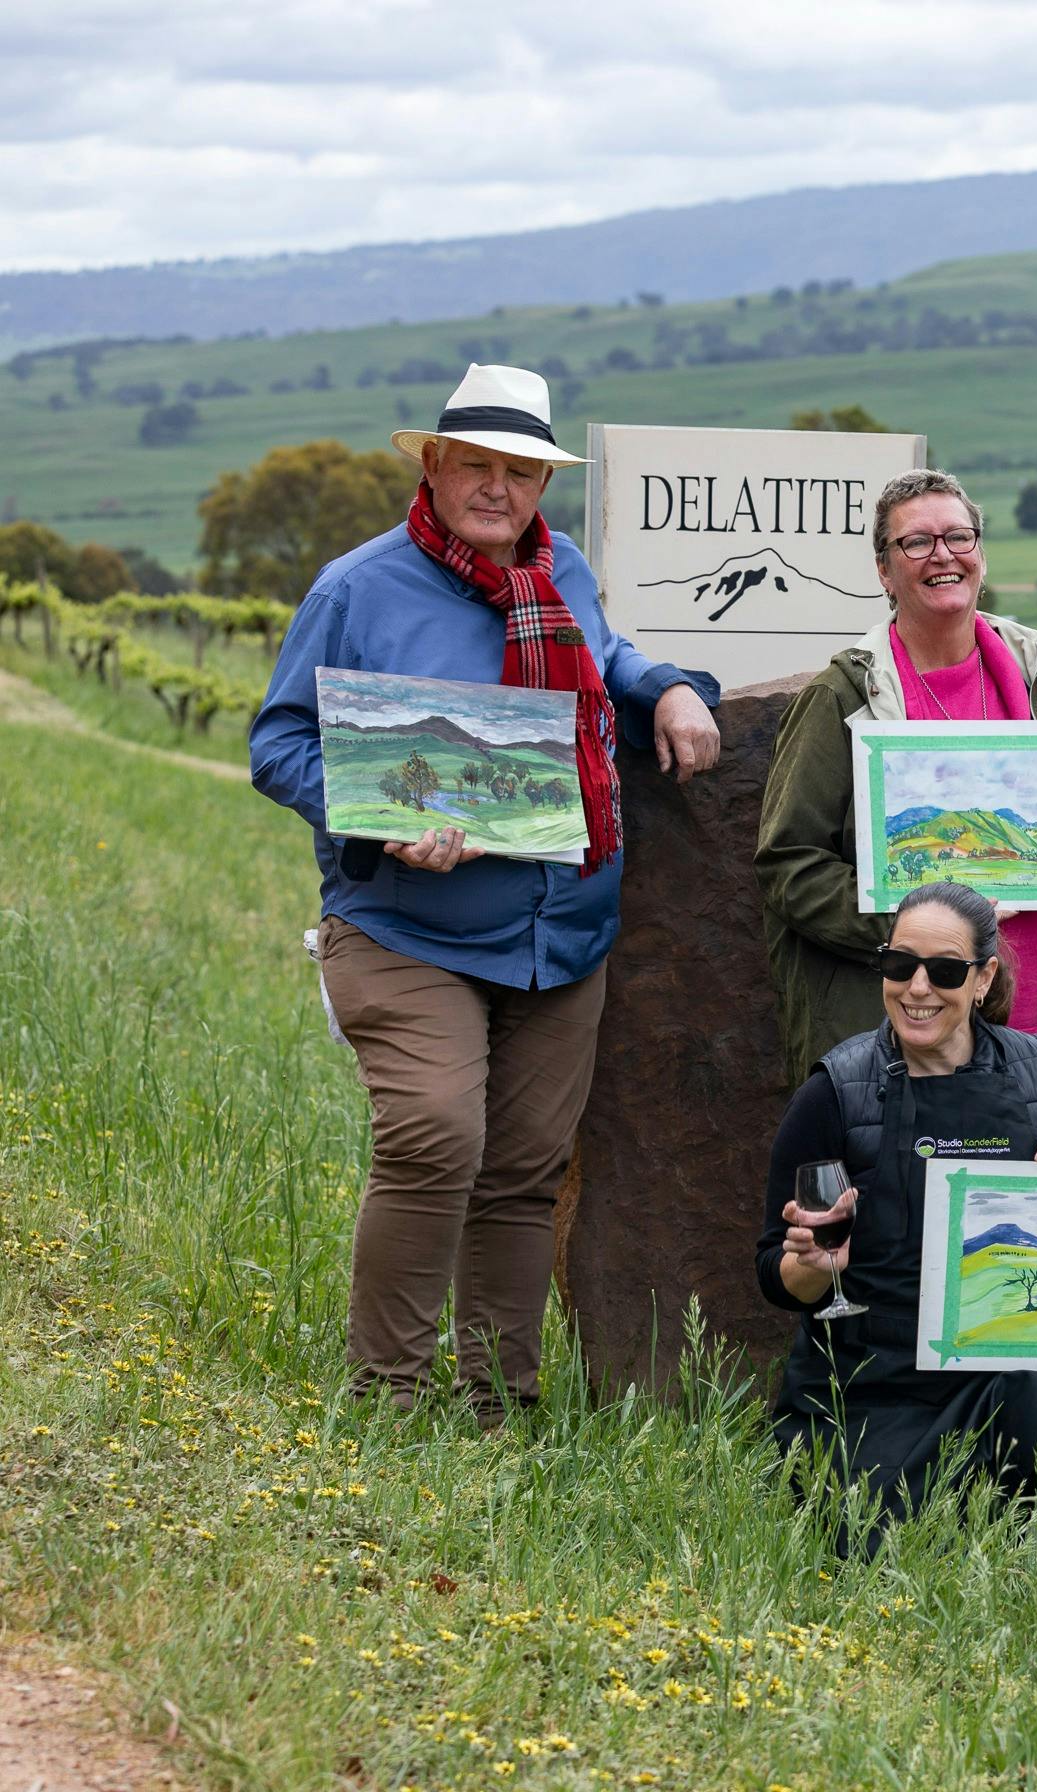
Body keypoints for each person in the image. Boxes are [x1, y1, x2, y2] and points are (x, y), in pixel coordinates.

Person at [249, 363, 723, 1420]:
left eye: (520, 471)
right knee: (434, 1137)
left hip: (561, 934)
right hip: (405, 926)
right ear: (433, 464)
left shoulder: (565, 573)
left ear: (543, 483)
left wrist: (669, 687)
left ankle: (496, 1401)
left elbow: (608, 654)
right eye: (476, 465)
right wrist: (376, 811)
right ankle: (388, 1395)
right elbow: (277, 744)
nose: (497, 488)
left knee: (521, 1171)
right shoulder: (356, 590)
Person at [758, 881, 1037, 1539]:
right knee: (867, 1532)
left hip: (1012, 1365)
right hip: (875, 1376)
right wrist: (813, 1268)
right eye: (899, 964)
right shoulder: (834, 1091)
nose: (917, 988)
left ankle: (1012, 1511)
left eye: (943, 970)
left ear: (983, 977)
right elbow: (775, 1272)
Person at [755, 469, 1037, 1137]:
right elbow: (790, 866)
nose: (942, 555)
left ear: (980, 553)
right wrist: (916, 934)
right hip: (907, 1037)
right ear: (884, 570)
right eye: (917, 542)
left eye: (958, 537)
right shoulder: (842, 698)